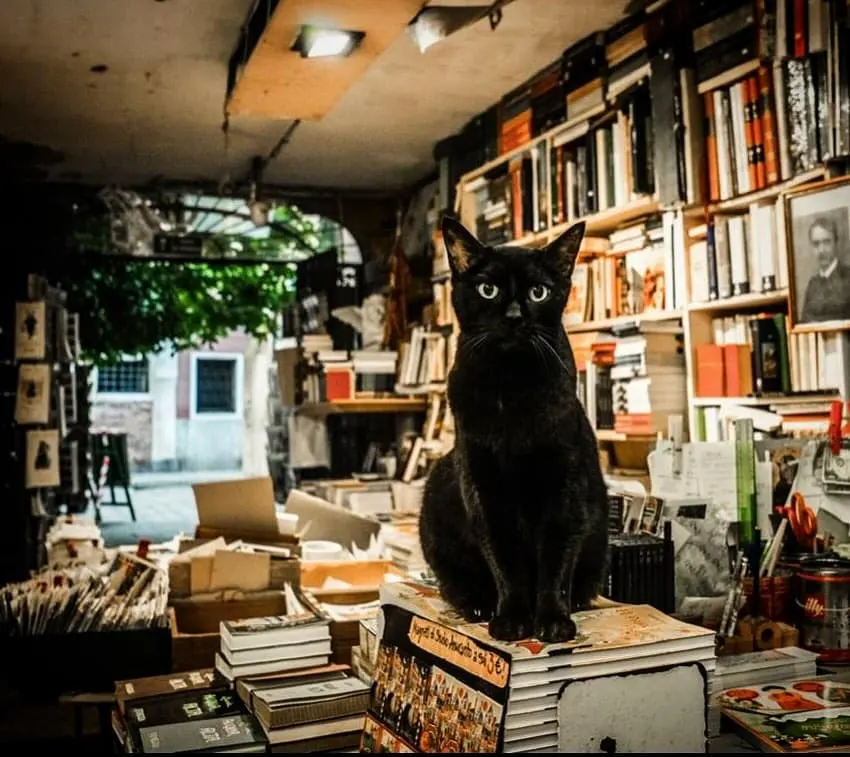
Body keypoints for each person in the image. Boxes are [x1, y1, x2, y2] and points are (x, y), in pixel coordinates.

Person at [800, 216, 850, 323]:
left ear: (836, 243)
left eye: (826, 242)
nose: (821, 250)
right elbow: (804, 323)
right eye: (816, 244)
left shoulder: (848, 277)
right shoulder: (812, 285)